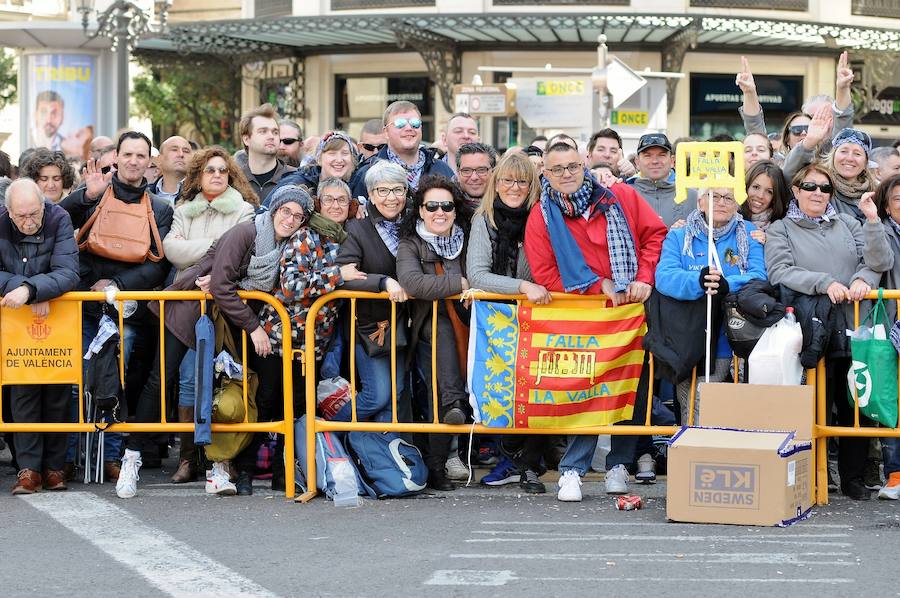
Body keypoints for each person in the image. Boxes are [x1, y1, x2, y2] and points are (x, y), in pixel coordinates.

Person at [115, 185, 308, 499]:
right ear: (274, 209)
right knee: (160, 380)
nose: (290, 219)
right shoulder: (246, 233)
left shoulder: (286, 246)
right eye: (286, 211)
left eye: (298, 216)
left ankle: (218, 467)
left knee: (225, 388)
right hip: (191, 310)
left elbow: (226, 283)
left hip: (226, 318)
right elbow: (219, 283)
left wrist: (226, 286)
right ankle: (131, 459)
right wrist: (254, 326)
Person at [524, 142, 667, 502]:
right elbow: (545, 273)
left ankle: (620, 464)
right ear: (546, 173)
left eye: (572, 166)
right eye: (557, 169)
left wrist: (644, 277)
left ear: (585, 163)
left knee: (631, 390)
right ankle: (572, 470)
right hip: (581, 320)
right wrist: (598, 285)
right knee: (585, 392)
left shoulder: (620, 196)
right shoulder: (540, 216)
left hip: (629, 312)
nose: (566, 174)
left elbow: (655, 235)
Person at [765, 163, 892, 500]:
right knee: (813, 402)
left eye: (825, 188)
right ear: (795, 190)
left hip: (855, 323)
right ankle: (810, 476)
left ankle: (851, 478)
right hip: (812, 325)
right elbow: (779, 271)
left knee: (855, 403)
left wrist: (865, 276)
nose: (818, 193)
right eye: (810, 186)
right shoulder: (781, 229)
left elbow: (879, 260)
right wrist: (824, 283)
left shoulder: (848, 222)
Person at [60, 131, 174, 481]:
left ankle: (111, 454)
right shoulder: (92, 195)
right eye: (128, 154)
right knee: (78, 380)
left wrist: (118, 285)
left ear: (149, 162)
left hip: (126, 309)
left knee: (118, 379)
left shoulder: (160, 208)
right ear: (117, 157)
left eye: (141, 156)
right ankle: (67, 457)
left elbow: (159, 263)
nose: (133, 161)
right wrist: (85, 196)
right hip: (85, 303)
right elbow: (60, 226)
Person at [255, 178, 363, 492]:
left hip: (316, 342)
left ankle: (288, 472)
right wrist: (337, 275)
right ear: (318, 204)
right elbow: (291, 286)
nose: (335, 206)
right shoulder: (305, 235)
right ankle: (246, 469)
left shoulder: (346, 238)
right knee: (269, 402)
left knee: (302, 408)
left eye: (342, 200)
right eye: (328, 199)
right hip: (280, 336)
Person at [160, 146, 258, 483]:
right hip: (189, 305)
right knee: (189, 380)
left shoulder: (245, 210)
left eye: (222, 170)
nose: (216, 175)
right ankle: (188, 458)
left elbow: (239, 253)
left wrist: (209, 250)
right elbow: (172, 251)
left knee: (226, 380)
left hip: (226, 306)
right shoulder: (184, 209)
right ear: (198, 176)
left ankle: (223, 459)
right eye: (209, 170)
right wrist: (220, 245)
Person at [466, 151, 552, 493]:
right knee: (503, 391)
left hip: (541, 315)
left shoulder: (543, 218)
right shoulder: (483, 219)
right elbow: (477, 274)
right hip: (498, 318)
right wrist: (523, 287)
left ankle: (531, 464)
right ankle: (510, 457)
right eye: (507, 180)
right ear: (495, 183)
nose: (514, 187)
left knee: (538, 390)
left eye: (522, 181)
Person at [655, 187, 766, 424]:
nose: (721, 202)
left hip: (730, 338)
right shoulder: (679, 235)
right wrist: (698, 281)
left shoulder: (749, 234)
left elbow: (759, 275)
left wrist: (726, 284)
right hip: (689, 336)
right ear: (700, 202)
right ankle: (692, 456)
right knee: (691, 404)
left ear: (737, 204)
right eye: (714, 196)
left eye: (729, 197)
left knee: (709, 401)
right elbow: (664, 277)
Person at [0, 179, 80, 494]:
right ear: (8, 212)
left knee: (58, 390)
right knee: (23, 391)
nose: (30, 222)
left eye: (35, 214)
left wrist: (33, 289)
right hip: (15, 319)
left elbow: (69, 271)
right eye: (22, 217)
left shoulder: (58, 217)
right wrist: (26, 286)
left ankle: (54, 468)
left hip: (57, 316)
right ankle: (28, 468)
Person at [395, 175, 473, 491]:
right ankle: (437, 467)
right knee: (438, 397)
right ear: (420, 210)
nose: (439, 212)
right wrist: (460, 285)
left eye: (446, 206)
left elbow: (483, 273)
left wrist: (469, 284)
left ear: (456, 210)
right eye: (432, 206)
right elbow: (413, 283)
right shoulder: (410, 243)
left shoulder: (469, 240)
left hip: (474, 323)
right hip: (430, 328)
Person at [336, 161, 412, 423]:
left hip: (409, 324)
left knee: (398, 394)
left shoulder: (414, 221)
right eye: (382, 191)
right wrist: (383, 282)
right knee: (377, 395)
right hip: (370, 327)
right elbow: (344, 276)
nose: (391, 198)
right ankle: (325, 431)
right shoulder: (357, 227)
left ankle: (385, 458)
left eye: (398, 190)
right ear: (369, 194)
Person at [736, 53, 854, 155]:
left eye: (825, 118)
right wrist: (749, 93)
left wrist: (843, 88)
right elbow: (755, 131)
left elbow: (843, 122)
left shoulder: (840, 161)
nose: (816, 125)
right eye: (810, 119)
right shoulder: (779, 162)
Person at [351, 101, 454, 199]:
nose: (409, 128)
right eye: (400, 124)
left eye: (415, 123)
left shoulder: (442, 169)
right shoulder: (366, 174)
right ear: (386, 132)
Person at [785, 120, 877, 223]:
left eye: (857, 154)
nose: (849, 158)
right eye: (844, 151)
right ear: (833, 157)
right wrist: (808, 143)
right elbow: (788, 176)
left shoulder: (876, 193)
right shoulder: (820, 185)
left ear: (865, 163)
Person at [872, 174, 900, 499]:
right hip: (893, 327)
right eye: (897, 198)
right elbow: (879, 261)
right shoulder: (882, 232)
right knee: (892, 404)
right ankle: (894, 475)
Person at [626, 133, 693, 228]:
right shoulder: (625, 194)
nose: (655, 161)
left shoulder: (692, 196)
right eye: (647, 156)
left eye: (661, 155)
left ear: (672, 161)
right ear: (637, 162)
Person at [237, 103, 297, 207]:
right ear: (246, 139)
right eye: (263, 131)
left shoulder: (295, 178)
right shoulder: (234, 180)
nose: (271, 136)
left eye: (275, 132)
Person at [278, 131, 360, 194]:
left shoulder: (357, 185)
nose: (339, 160)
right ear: (319, 158)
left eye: (345, 153)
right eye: (332, 153)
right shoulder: (296, 183)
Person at [739, 160, 790, 241]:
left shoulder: (782, 228)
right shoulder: (730, 217)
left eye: (769, 192)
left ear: (775, 198)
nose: (760, 196)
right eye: (756, 187)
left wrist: (769, 242)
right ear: (746, 186)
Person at [153, 136, 193, 205]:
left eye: (186, 151)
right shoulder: (144, 194)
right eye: (174, 150)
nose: (181, 154)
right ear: (159, 159)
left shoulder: (199, 195)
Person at [455, 142, 495, 210]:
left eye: (481, 170)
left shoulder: (509, 204)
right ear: (458, 173)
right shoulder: (444, 206)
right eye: (466, 170)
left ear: (493, 171)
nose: (474, 177)